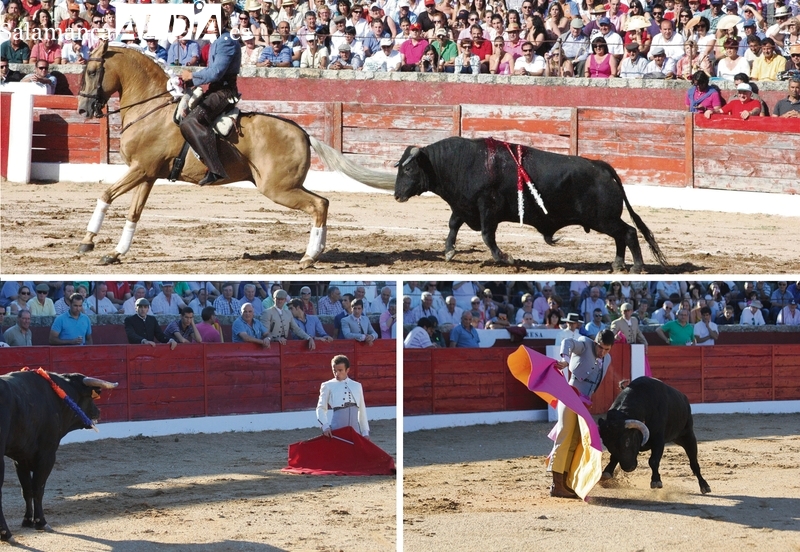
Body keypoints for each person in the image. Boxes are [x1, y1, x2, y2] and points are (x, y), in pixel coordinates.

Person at [179, 13, 242, 187]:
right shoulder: (218, 40)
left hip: (224, 92)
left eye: (211, 21)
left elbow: (216, 72)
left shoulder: (226, 40)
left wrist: (192, 75)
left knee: (190, 122)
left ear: (224, 21)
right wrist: (191, 80)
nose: (208, 24)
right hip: (217, 90)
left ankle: (216, 169)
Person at [550, 329, 614, 498]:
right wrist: (564, 358)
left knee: (575, 440)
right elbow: (568, 342)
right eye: (600, 347)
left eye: (607, 349)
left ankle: (565, 482)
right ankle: (556, 484)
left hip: (584, 402)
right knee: (564, 435)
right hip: (570, 395)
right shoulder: (585, 344)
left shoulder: (607, 359)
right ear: (596, 342)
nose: (602, 352)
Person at [316, 355, 369, 438]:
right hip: (337, 428)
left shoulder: (357, 386)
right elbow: (321, 408)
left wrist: (365, 432)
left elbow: (362, 410)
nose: (337, 373)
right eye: (335, 370)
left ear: (347, 370)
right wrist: (325, 426)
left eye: (340, 370)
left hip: (355, 430)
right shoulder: (327, 385)